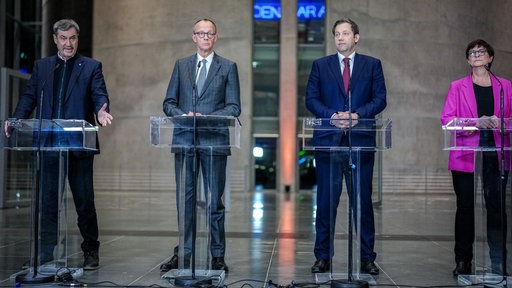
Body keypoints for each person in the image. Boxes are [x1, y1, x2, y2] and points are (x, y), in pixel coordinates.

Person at [4, 19, 113, 270]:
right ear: (55, 39)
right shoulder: (43, 67)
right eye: (63, 39)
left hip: (78, 146)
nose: (68, 43)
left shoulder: (91, 66)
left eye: (72, 38)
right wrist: (17, 119)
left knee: (84, 202)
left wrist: (101, 111)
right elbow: (30, 95)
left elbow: (99, 94)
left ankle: (90, 252)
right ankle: (44, 253)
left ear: (77, 38)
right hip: (49, 145)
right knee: (48, 203)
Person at [305, 18, 387, 275]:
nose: (340, 38)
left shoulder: (372, 65)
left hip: (360, 144)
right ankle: (323, 257)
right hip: (328, 144)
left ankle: (366, 258)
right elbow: (311, 98)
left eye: (345, 33)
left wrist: (356, 115)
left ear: (356, 37)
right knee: (326, 203)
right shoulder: (320, 65)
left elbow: (380, 99)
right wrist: (333, 116)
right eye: (336, 34)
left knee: (361, 204)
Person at [160, 18, 241, 273]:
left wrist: (207, 118)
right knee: (185, 202)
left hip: (214, 142)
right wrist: (184, 115)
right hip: (185, 141)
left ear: (215, 38)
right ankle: (184, 253)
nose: (205, 37)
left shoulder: (228, 67)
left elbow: (234, 107)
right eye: (201, 33)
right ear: (193, 37)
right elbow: (168, 102)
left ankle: (217, 255)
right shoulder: (182, 66)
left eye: (210, 33)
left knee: (214, 202)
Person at [440, 39, 511, 276]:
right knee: (465, 208)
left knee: (496, 207)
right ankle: (463, 261)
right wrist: (475, 123)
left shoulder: (506, 86)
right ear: (468, 60)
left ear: (490, 57)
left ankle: (498, 260)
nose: (477, 55)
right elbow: (447, 119)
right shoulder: (457, 86)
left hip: (497, 153)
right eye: (472, 52)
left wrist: (502, 123)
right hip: (465, 154)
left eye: (481, 52)